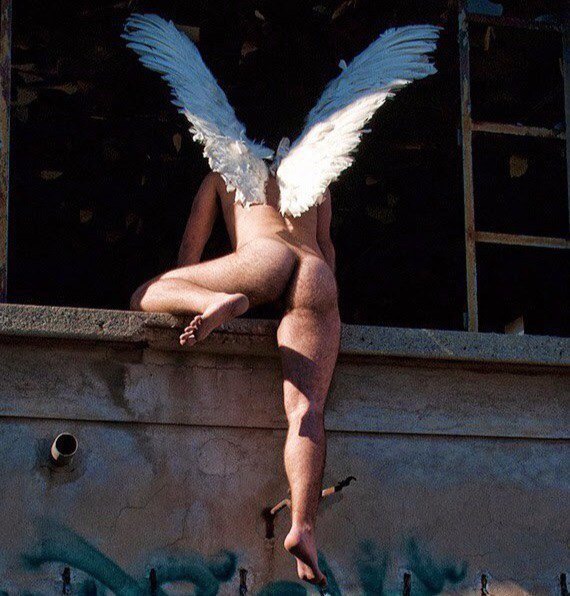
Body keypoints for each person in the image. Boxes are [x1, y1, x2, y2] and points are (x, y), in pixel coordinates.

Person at [130, 171, 340, 588]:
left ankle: (214, 301)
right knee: (308, 408)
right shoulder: (317, 177)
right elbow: (328, 251)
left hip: (263, 257)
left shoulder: (222, 173)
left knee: (146, 293)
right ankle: (303, 527)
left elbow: (189, 252)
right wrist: (325, 310)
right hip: (316, 272)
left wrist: (191, 293)